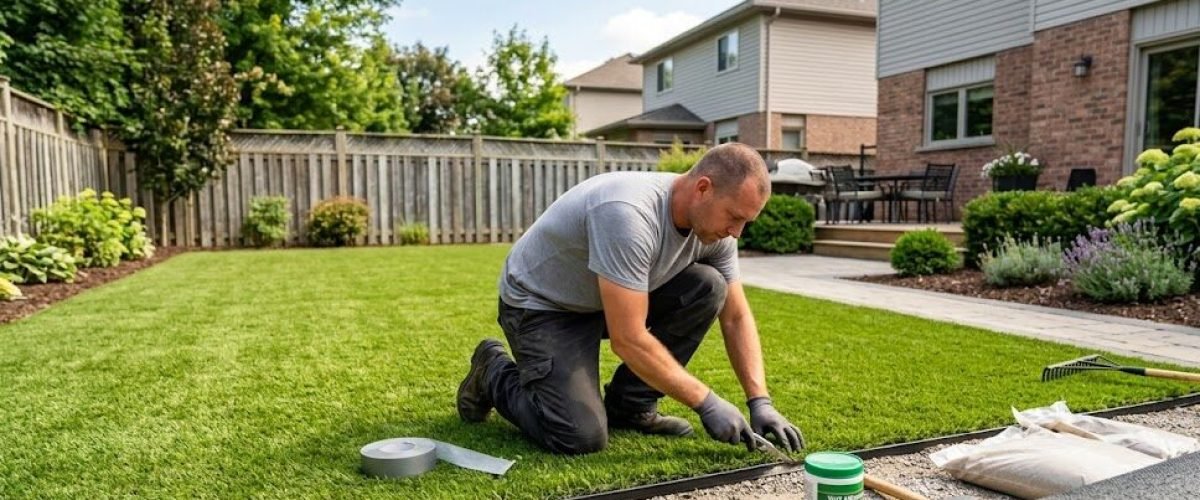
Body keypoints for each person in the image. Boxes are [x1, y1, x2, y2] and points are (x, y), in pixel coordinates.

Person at [455, 143, 804, 455]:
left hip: (603, 298)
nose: (737, 233)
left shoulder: (717, 234)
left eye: (745, 222)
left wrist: (760, 401)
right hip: (543, 306)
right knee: (578, 436)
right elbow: (628, 339)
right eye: (735, 217)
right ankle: (492, 370)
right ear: (703, 188)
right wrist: (706, 402)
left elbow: (736, 317)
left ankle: (630, 406)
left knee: (709, 286)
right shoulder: (628, 213)